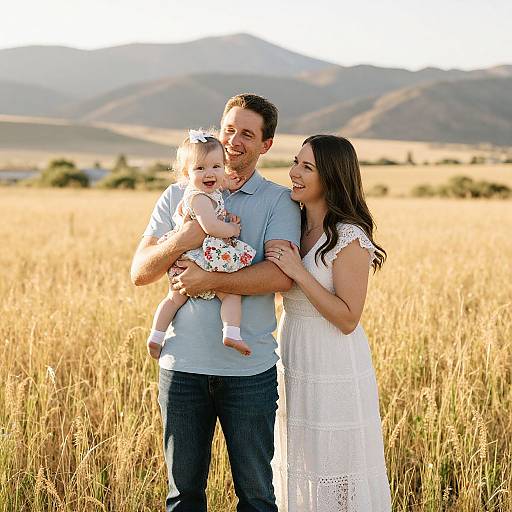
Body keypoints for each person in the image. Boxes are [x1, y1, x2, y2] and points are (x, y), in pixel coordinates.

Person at [130, 94, 301, 511]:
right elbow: (140, 272)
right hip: (181, 369)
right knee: (183, 497)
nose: (233, 140)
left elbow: (281, 276)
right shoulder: (176, 196)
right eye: (228, 129)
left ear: (266, 144)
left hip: (250, 371)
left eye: (247, 133)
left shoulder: (278, 201)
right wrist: (184, 238)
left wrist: (210, 277)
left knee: (257, 497)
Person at [266, 135, 392, 511]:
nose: (294, 173)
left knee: (336, 459)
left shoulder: (349, 235)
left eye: (307, 167)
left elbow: (349, 317)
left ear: (332, 177)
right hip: (294, 348)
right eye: (295, 162)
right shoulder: (295, 225)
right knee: (300, 453)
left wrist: (298, 273)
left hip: (333, 356)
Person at [146, 130, 256, 359]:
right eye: (200, 168)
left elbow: (218, 184)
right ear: (186, 173)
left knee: (174, 299)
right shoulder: (198, 198)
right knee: (230, 295)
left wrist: (226, 180)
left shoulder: (209, 190)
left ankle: (156, 336)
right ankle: (231, 332)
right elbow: (210, 227)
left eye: (216, 166)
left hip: (196, 255)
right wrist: (232, 229)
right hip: (197, 256)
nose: (210, 173)